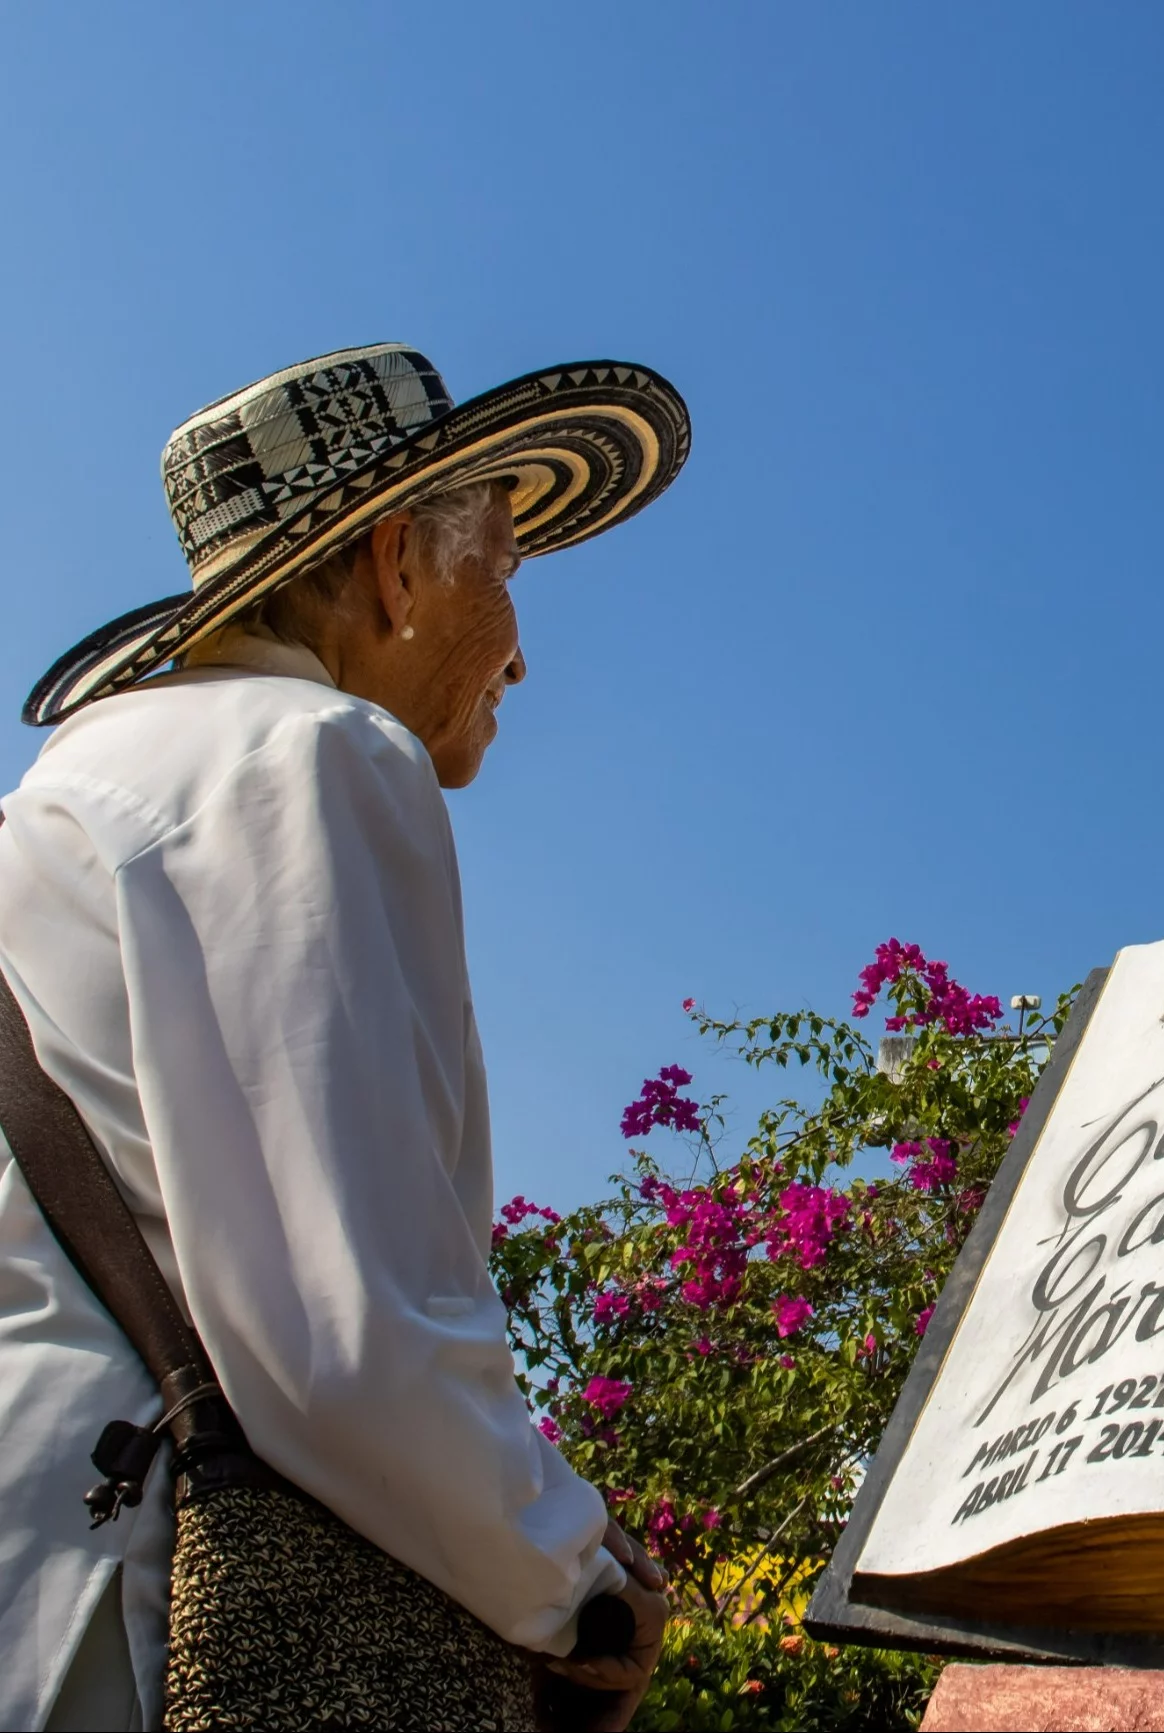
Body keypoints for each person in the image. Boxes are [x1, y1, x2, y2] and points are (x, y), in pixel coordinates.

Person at [0, 344, 692, 1730]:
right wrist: (573, 1580)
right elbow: (346, 1323)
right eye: (503, 560)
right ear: (396, 567)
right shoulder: (308, 750)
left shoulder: (72, 793)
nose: (519, 644)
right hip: (135, 1602)